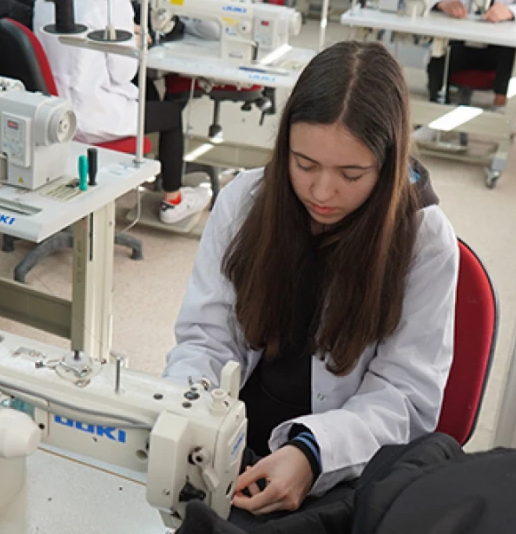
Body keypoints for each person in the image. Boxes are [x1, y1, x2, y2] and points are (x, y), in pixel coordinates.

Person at [164, 41, 458, 516]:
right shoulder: (244, 200)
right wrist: (188, 415)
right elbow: (206, 337)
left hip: (343, 467)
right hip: (232, 447)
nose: (322, 192)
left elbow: (405, 397)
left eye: (351, 173)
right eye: (304, 165)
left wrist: (312, 454)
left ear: (388, 165)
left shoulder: (424, 240)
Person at [33, 0, 212, 224]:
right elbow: (122, 72)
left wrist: (126, 33)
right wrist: (136, 41)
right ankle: (173, 200)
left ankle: (159, 175)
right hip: (90, 114)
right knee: (170, 115)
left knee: (150, 92)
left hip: (53, 109)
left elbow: (83, 38)